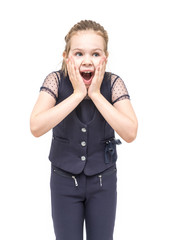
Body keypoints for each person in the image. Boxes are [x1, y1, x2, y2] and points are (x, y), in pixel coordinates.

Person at [30, 20, 138, 240]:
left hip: (103, 182)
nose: (87, 61)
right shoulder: (55, 81)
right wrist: (78, 94)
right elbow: (36, 126)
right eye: (79, 54)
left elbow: (130, 132)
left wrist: (96, 95)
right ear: (66, 56)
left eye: (96, 54)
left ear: (105, 57)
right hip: (63, 181)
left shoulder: (113, 83)